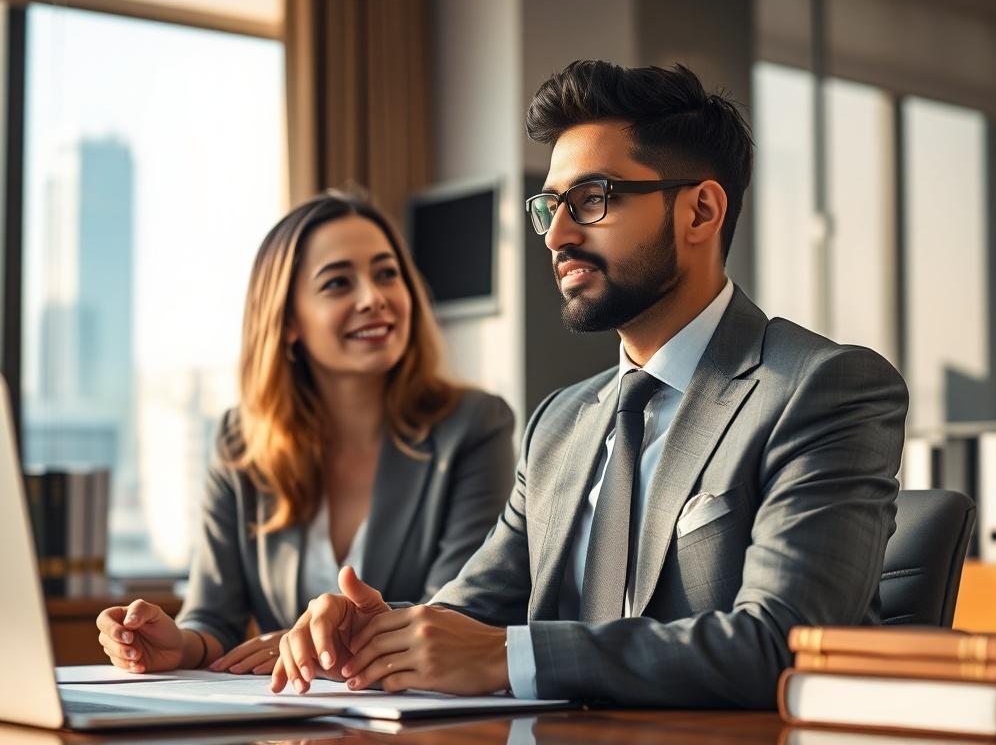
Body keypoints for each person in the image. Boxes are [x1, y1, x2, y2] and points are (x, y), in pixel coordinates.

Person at [270, 61, 909, 708]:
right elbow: (471, 613)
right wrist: (366, 632)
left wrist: (507, 654)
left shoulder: (823, 389)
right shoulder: (560, 422)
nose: (557, 235)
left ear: (701, 211)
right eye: (550, 206)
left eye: (592, 199)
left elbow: (781, 645)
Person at [94, 188, 515, 676]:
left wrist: (320, 643)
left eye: (386, 274)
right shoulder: (241, 439)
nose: (373, 298)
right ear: (289, 321)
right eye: (338, 283)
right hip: (289, 719)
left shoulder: (474, 425)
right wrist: (178, 646)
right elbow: (214, 616)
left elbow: (458, 615)